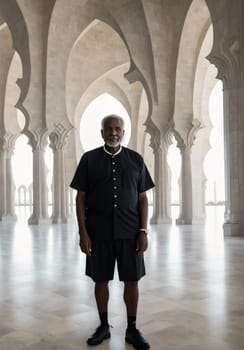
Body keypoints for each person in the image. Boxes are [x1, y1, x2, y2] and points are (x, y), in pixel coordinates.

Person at [70, 115, 154, 350]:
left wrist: (143, 230)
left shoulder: (136, 159)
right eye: (109, 129)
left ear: (123, 132)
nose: (113, 133)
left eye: (117, 129)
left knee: (132, 280)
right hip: (98, 234)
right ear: (102, 132)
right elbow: (80, 198)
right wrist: (83, 233)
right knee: (100, 280)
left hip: (130, 233)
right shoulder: (89, 159)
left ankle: (132, 328)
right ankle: (104, 325)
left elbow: (143, 198)